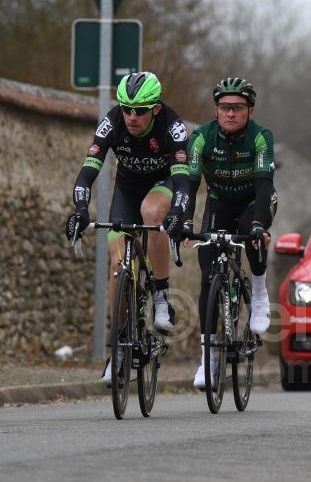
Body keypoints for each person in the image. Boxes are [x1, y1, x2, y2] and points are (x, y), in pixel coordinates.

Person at [65, 71, 190, 384]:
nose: (132, 117)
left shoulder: (172, 126)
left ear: (155, 108)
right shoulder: (113, 121)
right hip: (127, 188)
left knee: (151, 213)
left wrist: (177, 212)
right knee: (118, 263)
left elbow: (184, 180)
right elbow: (87, 171)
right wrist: (80, 209)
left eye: (140, 110)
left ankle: (161, 293)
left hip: (163, 184)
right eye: (127, 109)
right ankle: (118, 349)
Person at [182, 77, 277, 388]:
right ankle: (207, 359)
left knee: (253, 236)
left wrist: (260, 224)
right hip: (219, 203)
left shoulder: (261, 137)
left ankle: (260, 293)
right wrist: (183, 219)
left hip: (254, 202)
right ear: (216, 110)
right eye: (225, 108)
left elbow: (264, 184)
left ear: (249, 110)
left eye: (237, 107)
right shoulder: (201, 138)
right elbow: (190, 182)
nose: (231, 113)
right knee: (209, 278)